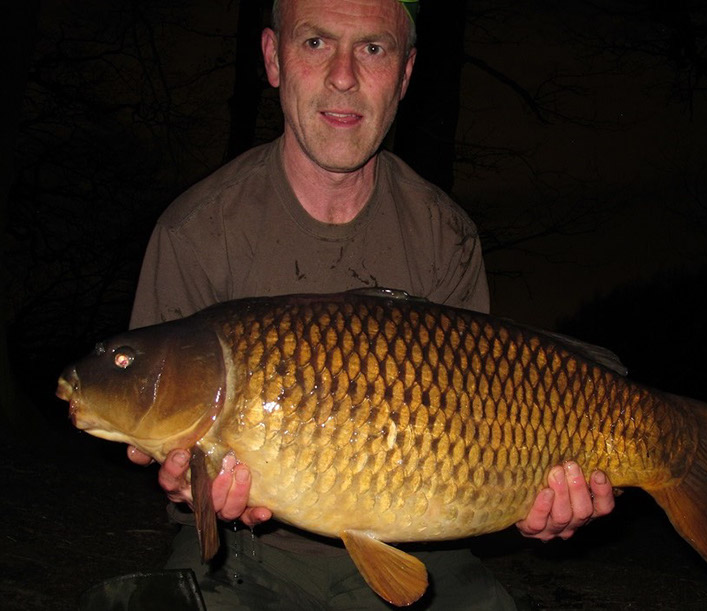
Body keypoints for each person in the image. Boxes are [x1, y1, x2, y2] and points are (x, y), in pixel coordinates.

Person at [127, 0, 615, 608]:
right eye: (314, 44)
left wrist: (540, 502)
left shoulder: (444, 234)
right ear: (273, 58)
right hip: (248, 556)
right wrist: (187, 486)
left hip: (419, 542)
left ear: (405, 75)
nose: (343, 75)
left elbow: (492, 422)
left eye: (373, 49)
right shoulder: (196, 231)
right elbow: (171, 439)